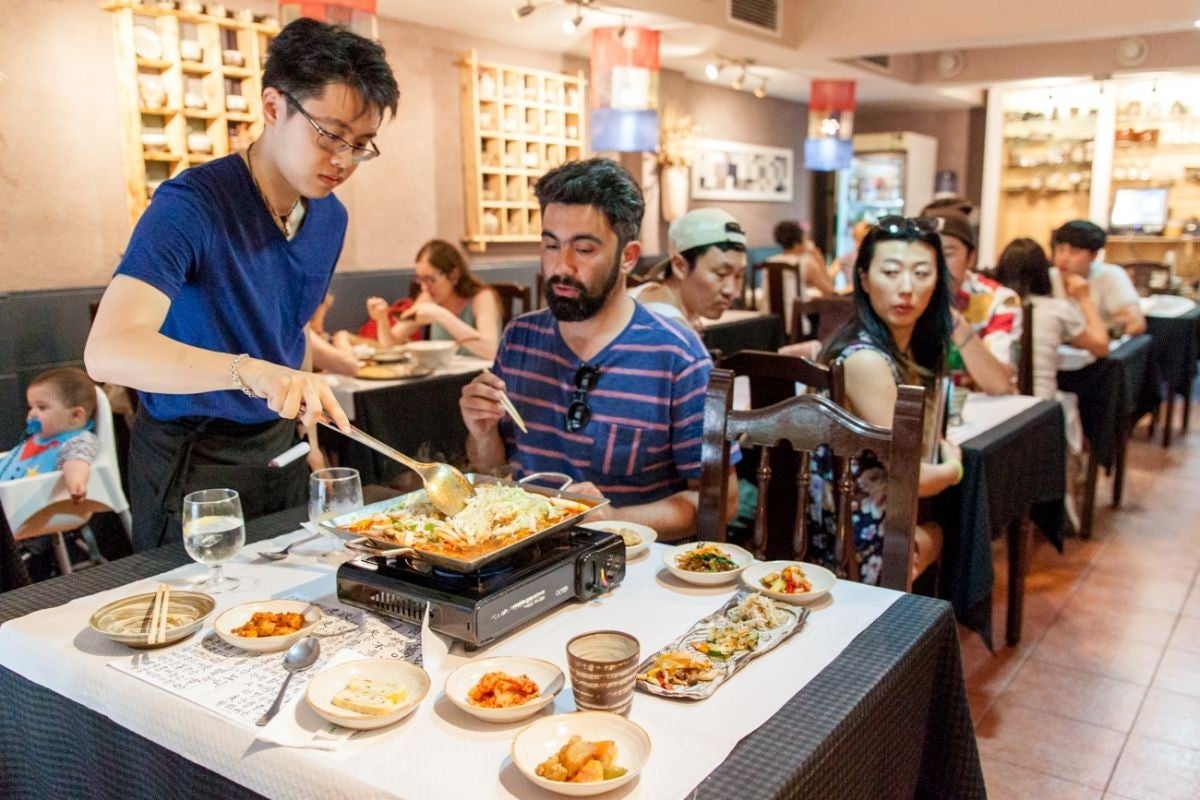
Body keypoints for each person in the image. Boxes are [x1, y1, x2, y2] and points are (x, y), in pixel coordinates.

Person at [85, 19, 399, 551]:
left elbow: (288, 333)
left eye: (362, 144)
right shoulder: (191, 206)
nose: (344, 159)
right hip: (193, 456)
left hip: (279, 447)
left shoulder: (329, 217)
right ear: (274, 107)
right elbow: (107, 351)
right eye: (331, 135)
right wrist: (245, 371)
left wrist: (312, 438)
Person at [459, 158, 738, 541]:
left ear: (628, 256)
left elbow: (720, 501)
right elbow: (493, 467)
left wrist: (616, 518)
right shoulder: (520, 337)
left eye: (584, 249)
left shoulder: (677, 357)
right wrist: (483, 432)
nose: (561, 266)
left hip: (629, 568)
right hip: (528, 553)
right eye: (551, 245)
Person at [809, 216, 964, 584]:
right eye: (891, 272)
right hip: (852, 542)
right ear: (863, 279)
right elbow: (916, 479)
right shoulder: (867, 360)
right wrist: (956, 467)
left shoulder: (899, 349)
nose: (906, 288)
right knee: (960, 524)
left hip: (871, 520)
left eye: (922, 273)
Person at [995, 237, 1107, 530]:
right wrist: (1083, 298)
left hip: (996, 408)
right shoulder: (1055, 309)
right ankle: (1063, 504)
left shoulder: (993, 305)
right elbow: (1101, 345)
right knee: (1068, 407)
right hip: (1039, 413)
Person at [919, 208, 1018, 395]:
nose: (936, 263)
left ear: (971, 258)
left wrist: (950, 316)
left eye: (947, 254)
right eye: (927, 252)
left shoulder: (998, 299)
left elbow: (999, 384)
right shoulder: (903, 297)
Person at [366, 239, 502, 360]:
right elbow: (391, 345)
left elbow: (491, 351)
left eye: (430, 279)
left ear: (454, 275)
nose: (424, 287)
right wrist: (382, 319)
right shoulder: (429, 297)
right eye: (420, 279)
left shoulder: (482, 297)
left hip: (482, 380)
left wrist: (441, 315)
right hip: (444, 379)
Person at [628, 207, 748, 329]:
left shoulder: (644, 292)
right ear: (680, 267)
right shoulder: (668, 330)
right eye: (721, 274)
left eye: (739, 276)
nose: (732, 291)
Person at [0, 368, 99, 502]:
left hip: (40, 507)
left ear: (76, 415)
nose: (32, 413)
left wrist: (76, 482)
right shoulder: (40, 439)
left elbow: (77, 461)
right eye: (31, 407)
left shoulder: (78, 441)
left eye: (41, 407)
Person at [1049, 219, 1147, 336]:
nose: (1064, 258)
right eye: (1060, 250)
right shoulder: (1047, 277)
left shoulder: (1111, 275)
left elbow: (1136, 323)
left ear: (1093, 255)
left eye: (1074, 252)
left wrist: (1095, 333)